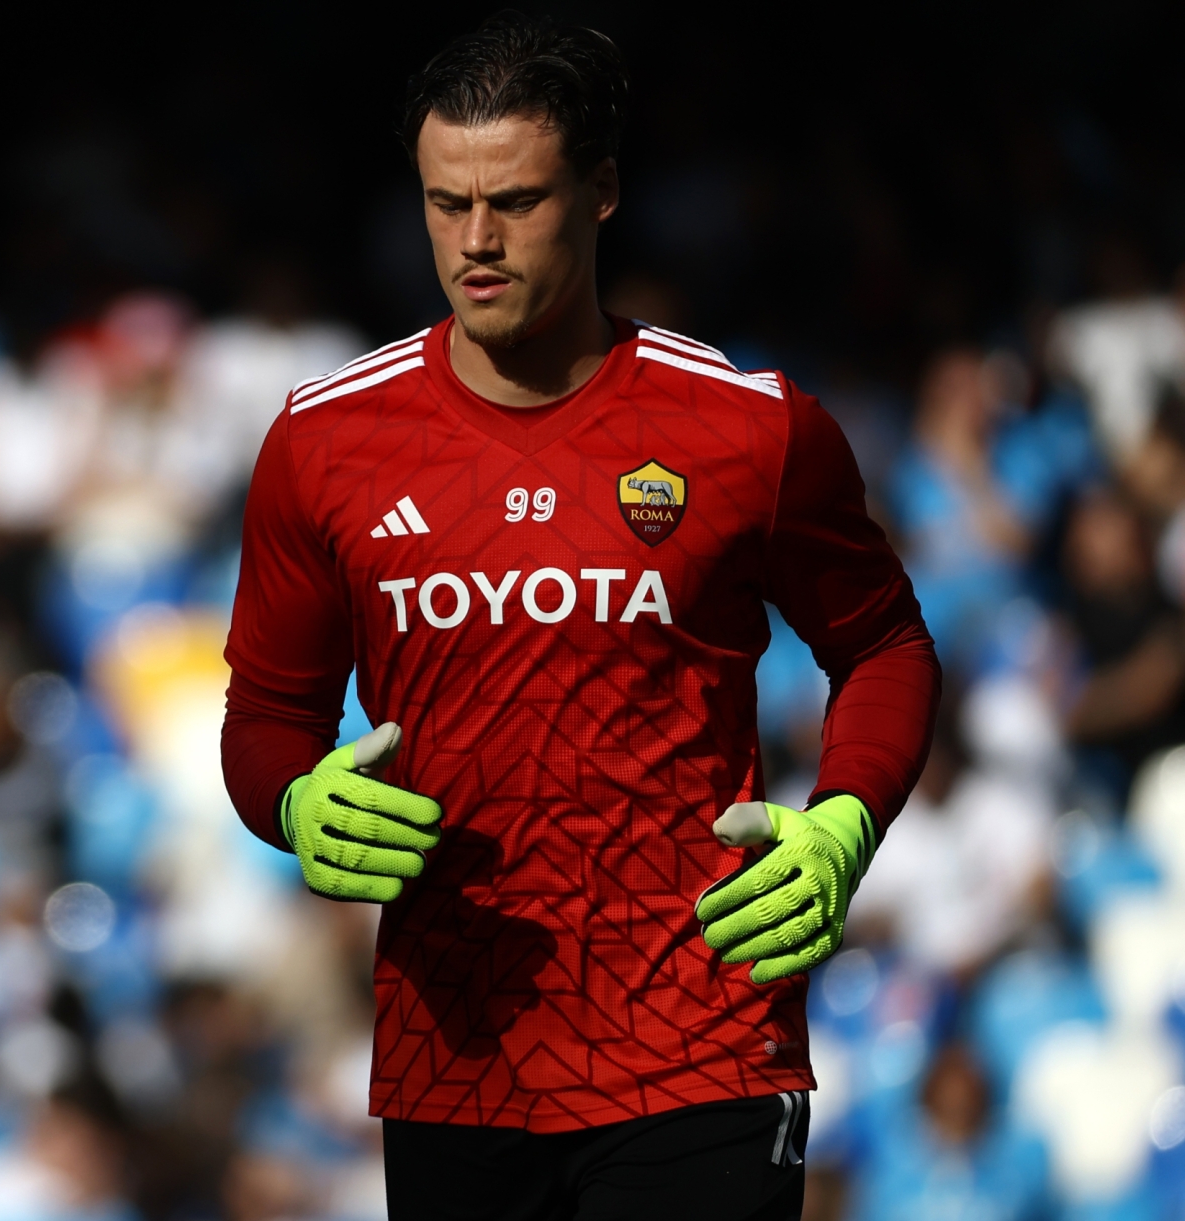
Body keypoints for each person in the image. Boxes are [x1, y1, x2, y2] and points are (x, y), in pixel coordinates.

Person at [219, 15, 939, 1219]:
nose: (477, 241)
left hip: (703, 1037)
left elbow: (885, 647)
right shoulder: (321, 441)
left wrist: (844, 825)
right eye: (447, 205)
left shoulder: (752, 429)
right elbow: (267, 717)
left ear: (602, 191)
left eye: (515, 200)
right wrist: (293, 804)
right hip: (457, 1060)